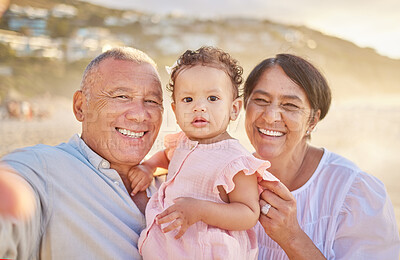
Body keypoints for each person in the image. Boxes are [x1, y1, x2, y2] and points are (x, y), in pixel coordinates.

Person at [0, 47, 164, 259]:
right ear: (80, 107)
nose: (140, 115)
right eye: (122, 96)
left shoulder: (175, 180)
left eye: (151, 101)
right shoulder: (42, 169)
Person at [243, 53, 400, 259]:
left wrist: (292, 237)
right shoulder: (225, 178)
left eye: (290, 105)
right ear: (244, 105)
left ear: (312, 121)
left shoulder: (352, 192)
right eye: (261, 100)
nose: (271, 116)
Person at [135, 46, 278, 259]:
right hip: (172, 248)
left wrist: (201, 210)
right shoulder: (183, 143)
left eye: (212, 98)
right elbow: (167, 157)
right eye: (188, 99)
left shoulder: (235, 160)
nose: (199, 107)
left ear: (234, 109)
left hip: (208, 250)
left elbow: (248, 213)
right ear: (175, 111)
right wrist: (147, 167)